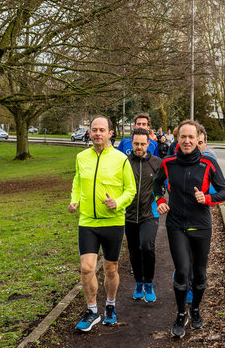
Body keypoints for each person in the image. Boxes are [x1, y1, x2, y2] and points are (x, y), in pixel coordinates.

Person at [153, 120, 225, 338]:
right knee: (182, 271)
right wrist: (159, 200)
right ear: (177, 139)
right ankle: (180, 314)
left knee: (199, 274)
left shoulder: (209, 164)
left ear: (198, 139)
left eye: (191, 137)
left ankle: (195, 309)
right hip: (176, 224)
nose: (187, 141)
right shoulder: (168, 163)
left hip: (201, 225)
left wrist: (206, 198)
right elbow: (156, 184)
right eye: (182, 137)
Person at [69, 116, 136, 331]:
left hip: (113, 222)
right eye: (94, 129)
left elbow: (131, 189)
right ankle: (92, 311)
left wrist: (117, 202)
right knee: (87, 268)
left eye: (102, 130)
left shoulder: (121, 159)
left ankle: (110, 305)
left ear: (110, 133)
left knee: (110, 269)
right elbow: (78, 181)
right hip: (87, 221)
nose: (98, 133)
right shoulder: (81, 157)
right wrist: (74, 199)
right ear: (90, 132)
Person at [125, 128, 162, 303]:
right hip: (129, 214)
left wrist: (162, 201)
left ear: (149, 144)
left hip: (150, 213)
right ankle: (138, 282)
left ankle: (148, 283)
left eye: (142, 144)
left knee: (147, 246)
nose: (139, 147)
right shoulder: (124, 162)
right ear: (131, 143)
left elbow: (165, 186)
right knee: (134, 251)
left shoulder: (157, 163)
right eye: (136, 144)